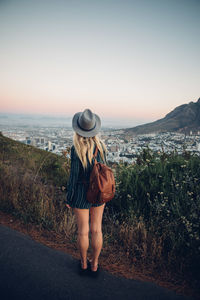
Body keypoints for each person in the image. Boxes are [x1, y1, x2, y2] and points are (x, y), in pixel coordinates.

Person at [65, 108, 107, 277]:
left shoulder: (76, 149)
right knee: (97, 230)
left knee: (83, 231)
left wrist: (70, 197)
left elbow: (73, 177)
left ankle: (83, 263)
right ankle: (95, 264)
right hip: (98, 192)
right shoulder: (101, 147)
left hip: (82, 193)